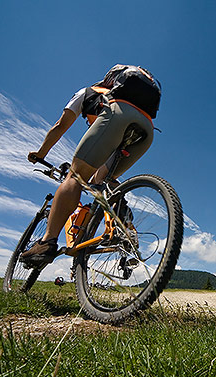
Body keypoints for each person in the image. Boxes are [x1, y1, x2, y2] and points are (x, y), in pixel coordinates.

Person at [20, 64, 161, 266]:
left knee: (76, 177)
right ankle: (124, 226)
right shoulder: (128, 96)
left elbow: (60, 126)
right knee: (104, 180)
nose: (87, 120)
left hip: (118, 115)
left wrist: (40, 153)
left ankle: (47, 242)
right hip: (147, 129)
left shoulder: (87, 92)